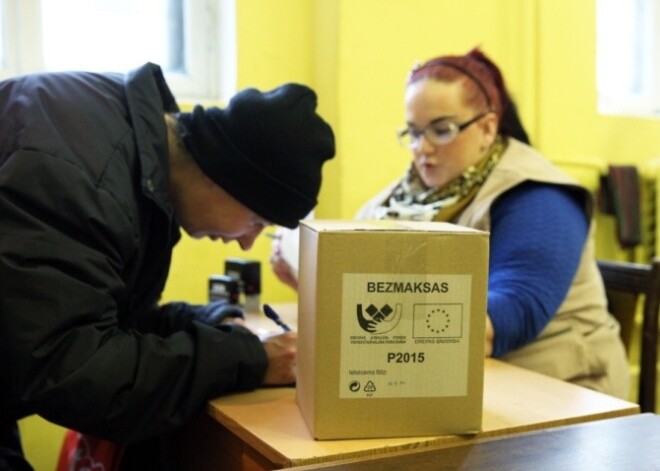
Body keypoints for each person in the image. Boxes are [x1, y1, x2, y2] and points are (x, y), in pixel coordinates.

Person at [0, 63, 335, 469]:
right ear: (225, 176)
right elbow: (70, 370)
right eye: (256, 222)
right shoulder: (82, 176)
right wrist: (249, 360)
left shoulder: (134, 156)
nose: (248, 240)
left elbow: (113, 323)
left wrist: (215, 322)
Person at [271, 48, 630, 399]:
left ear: (488, 128)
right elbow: (360, 280)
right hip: (460, 377)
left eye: (441, 130)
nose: (422, 149)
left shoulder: (538, 196)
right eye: (412, 132)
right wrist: (314, 280)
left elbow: (504, 318)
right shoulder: (406, 195)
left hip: (561, 392)